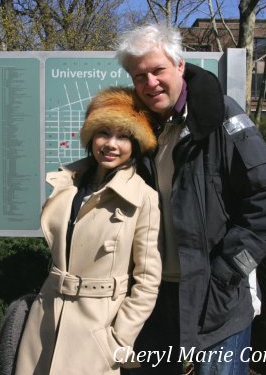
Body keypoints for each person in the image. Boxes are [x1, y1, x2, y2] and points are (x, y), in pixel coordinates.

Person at [116, 24, 266, 375]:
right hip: (154, 299)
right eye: (139, 76)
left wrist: (227, 272)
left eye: (158, 70)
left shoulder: (222, 118)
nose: (150, 83)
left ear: (179, 65)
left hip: (217, 304)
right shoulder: (140, 129)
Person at [14, 86, 162, 375]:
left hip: (98, 330)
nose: (111, 144)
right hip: (46, 318)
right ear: (91, 137)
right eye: (103, 132)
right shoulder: (69, 183)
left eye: (123, 136)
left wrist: (118, 341)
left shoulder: (143, 198)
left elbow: (147, 281)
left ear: (136, 144)